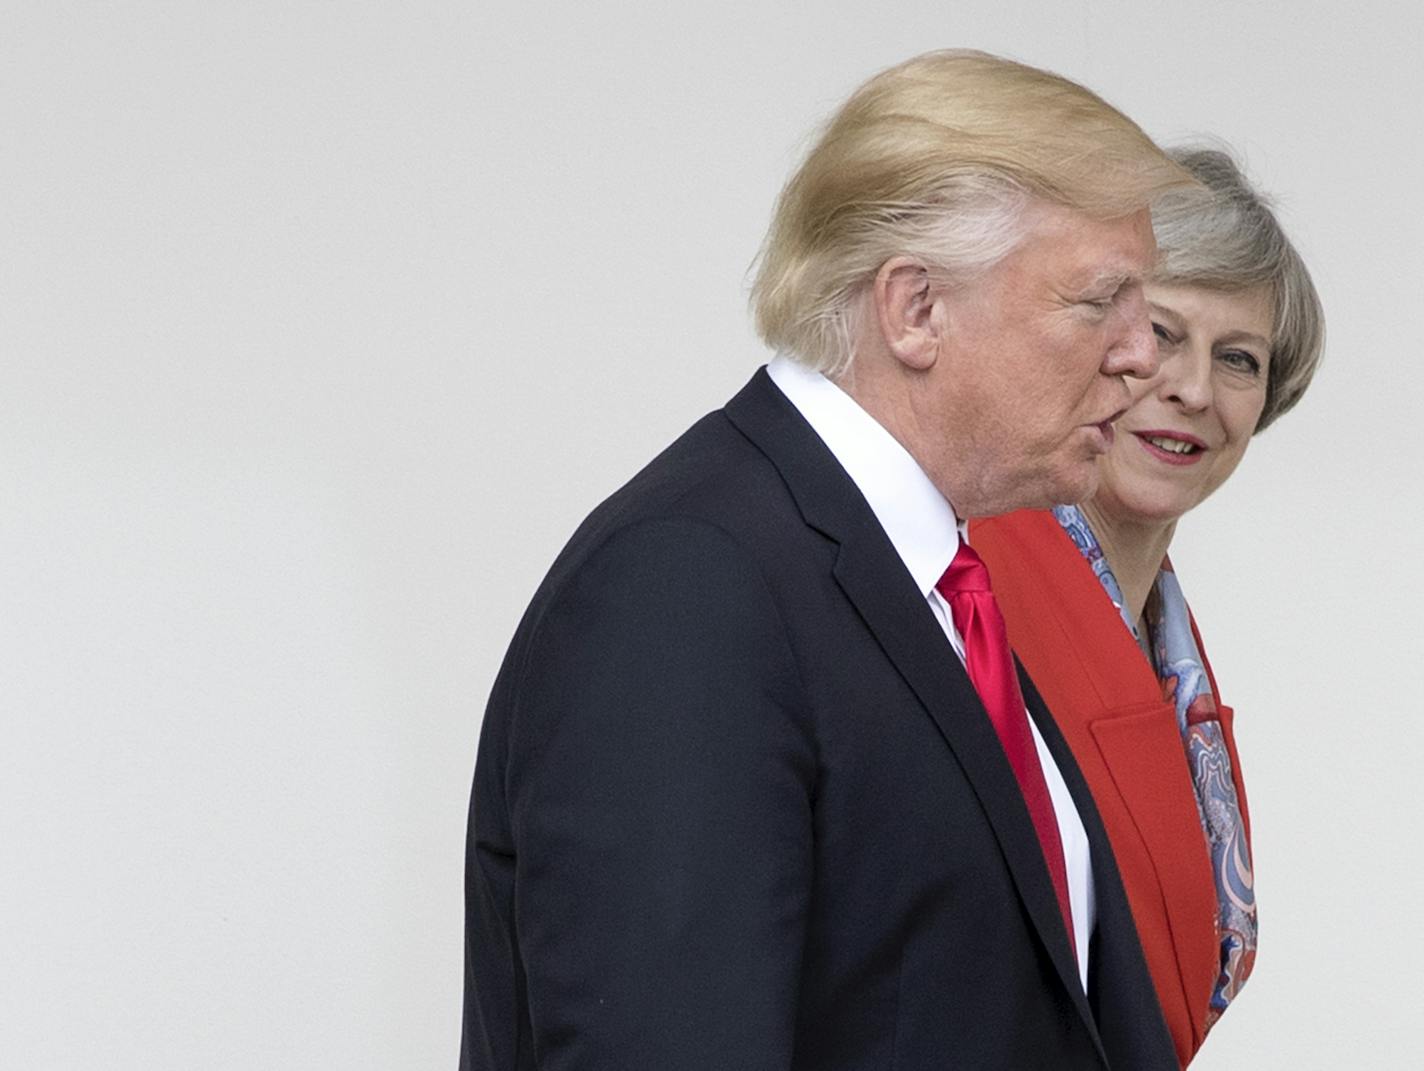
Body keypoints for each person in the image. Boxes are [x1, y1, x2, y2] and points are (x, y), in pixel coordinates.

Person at [463, 50, 1193, 1070]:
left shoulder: (934, 586)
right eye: (1096, 302)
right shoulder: (688, 586)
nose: (1142, 353)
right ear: (914, 310)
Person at [970, 148, 1325, 1067]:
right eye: (1163, 334)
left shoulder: (1166, 643)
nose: (1195, 389)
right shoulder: (966, 590)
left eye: (1238, 358)